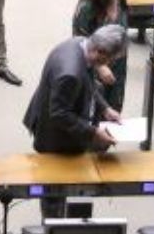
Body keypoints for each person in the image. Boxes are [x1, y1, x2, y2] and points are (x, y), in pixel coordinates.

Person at [23, 26, 127, 219]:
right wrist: (93, 132)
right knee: (53, 186)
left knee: (62, 183)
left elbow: (88, 82)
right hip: (53, 136)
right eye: (110, 58)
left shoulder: (80, 44)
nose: (110, 63)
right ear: (100, 51)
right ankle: (53, 224)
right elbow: (59, 114)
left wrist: (105, 108)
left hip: (53, 115)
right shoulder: (70, 73)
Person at [72, 0, 129, 112]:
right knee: (93, 112)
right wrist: (100, 67)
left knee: (114, 111)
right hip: (94, 73)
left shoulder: (121, 2)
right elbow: (79, 45)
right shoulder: (87, 8)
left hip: (118, 68)